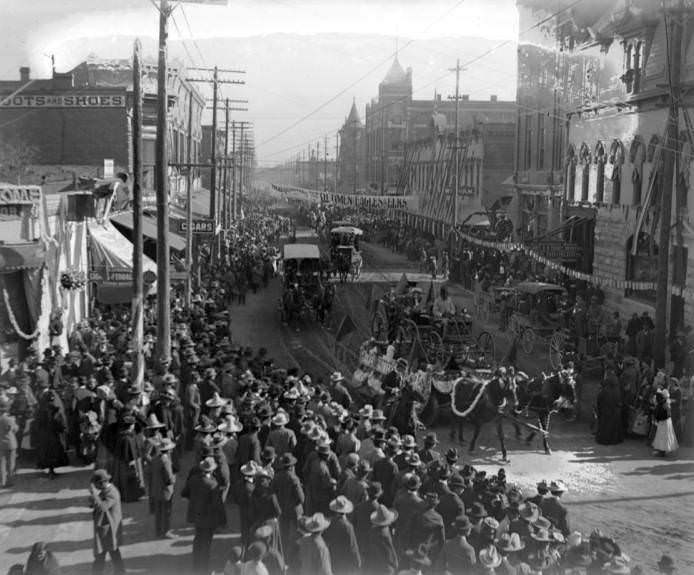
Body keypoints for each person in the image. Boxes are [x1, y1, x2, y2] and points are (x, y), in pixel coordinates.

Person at [181, 456, 227, 575]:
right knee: (206, 543)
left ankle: (196, 566)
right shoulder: (212, 484)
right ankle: (204, 569)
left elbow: (184, 493)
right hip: (208, 518)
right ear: (212, 470)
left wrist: (195, 501)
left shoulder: (193, 479)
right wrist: (223, 520)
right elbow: (218, 504)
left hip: (196, 516)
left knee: (198, 540)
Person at [89, 469, 125, 575]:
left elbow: (103, 507)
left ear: (102, 482)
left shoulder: (112, 492)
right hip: (105, 529)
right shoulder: (106, 491)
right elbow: (97, 504)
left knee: (103, 554)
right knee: (112, 553)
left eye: (96, 485)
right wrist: (93, 499)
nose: (95, 487)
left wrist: (95, 495)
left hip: (108, 530)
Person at [147, 436, 176, 538]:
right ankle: (166, 531)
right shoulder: (166, 461)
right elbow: (169, 478)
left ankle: (158, 531)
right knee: (166, 512)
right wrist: (174, 478)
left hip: (156, 489)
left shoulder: (155, 458)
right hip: (165, 491)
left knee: (158, 512)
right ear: (168, 450)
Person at [595, 370, 624, 445]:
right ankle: (615, 440)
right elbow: (619, 401)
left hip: (606, 411)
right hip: (615, 411)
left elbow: (599, 400)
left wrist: (599, 409)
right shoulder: (617, 390)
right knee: (614, 427)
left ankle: (604, 440)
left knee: (606, 427)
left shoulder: (605, 391)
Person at [652, 389, 679, 457]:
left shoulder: (664, 403)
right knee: (664, 435)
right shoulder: (665, 402)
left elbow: (664, 413)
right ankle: (662, 450)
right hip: (666, 421)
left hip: (664, 421)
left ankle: (662, 451)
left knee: (663, 435)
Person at [0, 398, 18, 488]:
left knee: (1, 464)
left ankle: (2, 482)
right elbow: (15, 430)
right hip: (10, 443)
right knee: (11, 463)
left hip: (0, 444)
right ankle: (10, 481)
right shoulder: (9, 419)